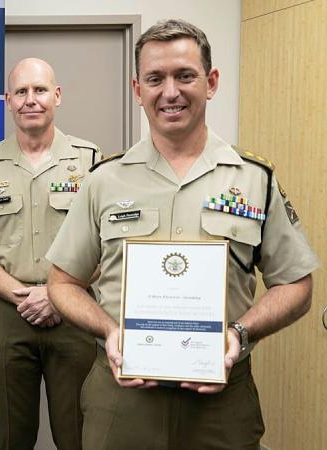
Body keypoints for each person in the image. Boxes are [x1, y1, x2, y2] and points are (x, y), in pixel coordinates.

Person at [46, 19, 318, 450]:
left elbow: (297, 284)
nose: (169, 91)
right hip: (122, 400)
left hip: (222, 405)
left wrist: (240, 335)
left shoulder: (253, 179)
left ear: (210, 82)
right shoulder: (103, 181)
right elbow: (62, 284)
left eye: (184, 75)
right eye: (155, 78)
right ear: (138, 90)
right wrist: (109, 331)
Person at [0, 57, 100, 449]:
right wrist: (23, 294)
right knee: (13, 436)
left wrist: (56, 295)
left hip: (75, 311)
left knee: (78, 434)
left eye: (39, 90)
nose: (30, 100)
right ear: (8, 100)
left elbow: (109, 245)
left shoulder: (90, 161)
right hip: (8, 310)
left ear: (57, 95)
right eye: (21, 92)